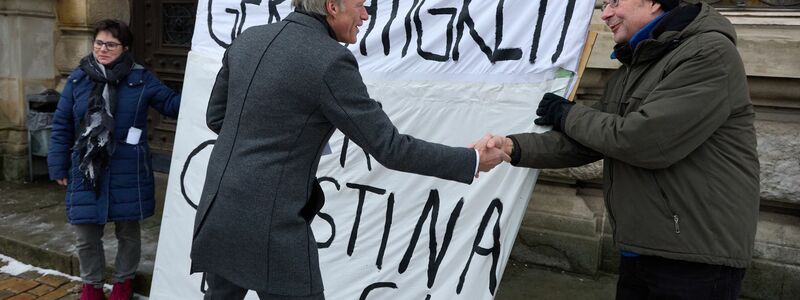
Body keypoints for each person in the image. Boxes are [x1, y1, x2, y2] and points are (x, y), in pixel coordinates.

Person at [189, 0, 509, 298]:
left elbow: (217, 118)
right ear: (332, 6)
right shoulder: (330, 60)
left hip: (219, 208)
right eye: (361, 5)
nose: (366, 16)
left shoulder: (249, 39)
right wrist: (473, 160)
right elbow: (390, 148)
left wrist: (292, 138)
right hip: (272, 224)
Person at [481, 0, 760, 299]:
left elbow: (644, 141)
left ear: (654, 3)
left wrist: (568, 114)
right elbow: (589, 140)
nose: (606, 12)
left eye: (615, 1)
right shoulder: (638, 64)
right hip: (643, 248)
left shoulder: (708, 53)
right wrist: (512, 146)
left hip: (694, 258)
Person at [47, 19, 181, 300]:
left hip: (127, 168)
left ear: (125, 48)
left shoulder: (141, 79)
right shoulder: (78, 79)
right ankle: (91, 287)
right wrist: (57, 164)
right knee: (85, 235)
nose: (103, 49)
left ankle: (123, 283)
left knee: (128, 233)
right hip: (87, 167)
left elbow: (171, 104)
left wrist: (207, 87)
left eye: (111, 44)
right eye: (98, 43)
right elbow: (61, 125)